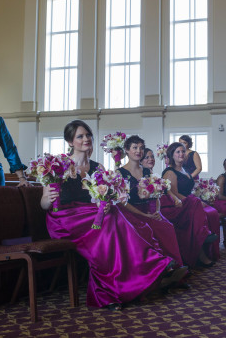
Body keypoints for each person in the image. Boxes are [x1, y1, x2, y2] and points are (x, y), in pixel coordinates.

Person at [42, 120, 186, 311]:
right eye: (80, 136)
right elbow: (43, 203)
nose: (86, 139)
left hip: (93, 216)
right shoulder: (57, 165)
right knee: (110, 222)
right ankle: (152, 264)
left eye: (87, 135)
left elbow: (109, 198)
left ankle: (116, 290)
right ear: (70, 141)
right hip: (65, 219)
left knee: (113, 216)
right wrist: (49, 198)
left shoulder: (98, 167)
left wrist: (107, 203)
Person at [117, 135, 183, 268]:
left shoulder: (147, 171)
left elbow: (157, 195)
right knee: (148, 231)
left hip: (150, 210)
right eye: (134, 147)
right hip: (131, 213)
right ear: (127, 150)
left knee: (167, 227)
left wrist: (157, 211)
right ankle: (162, 268)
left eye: (141, 148)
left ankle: (175, 267)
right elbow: (122, 202)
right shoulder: (120, 173)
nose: (138, 151)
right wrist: (144, 215)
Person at [161, 142, 219, 268]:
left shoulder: (184, 170)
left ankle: (206, 243)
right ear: (172, 155)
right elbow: (174, 193)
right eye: (178, 152)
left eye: (183, 151)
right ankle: (203, 236)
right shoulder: (169, 172)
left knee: (211, 211)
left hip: (187, 201)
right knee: (197, 203)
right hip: (177, 205)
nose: (181, 154)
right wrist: (193, 201)